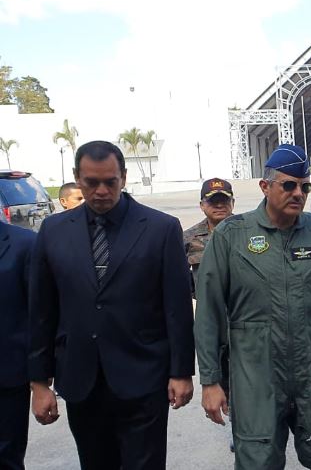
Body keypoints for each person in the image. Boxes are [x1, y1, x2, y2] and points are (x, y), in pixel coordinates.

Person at [195, 144, 311, 470]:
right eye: (288, 185)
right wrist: (210, 380)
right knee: (257, 461)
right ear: (265, 186)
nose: (298, 193)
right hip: (256, 377)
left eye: (304, 186)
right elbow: (209, 312)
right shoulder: (232, 237)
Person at [29, 140, 195, 470]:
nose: (102, 191)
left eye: (110, 182)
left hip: (143, 376)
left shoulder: (161, 229)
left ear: (124, 177)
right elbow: (42, 312)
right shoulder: (53, 231)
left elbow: (176, 307)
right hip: (80, 377)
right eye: (91, 183)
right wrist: (38, 382)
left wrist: (181, 372)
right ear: (77, 178)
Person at [182, 177, 235, 451]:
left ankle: (248, 432)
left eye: (224, 200)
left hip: (245, 321)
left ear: (232, 203)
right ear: (202, 205)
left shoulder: (249, 231)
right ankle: (240, 429)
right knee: (222, 380)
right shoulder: (188, 239)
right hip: (212, 324)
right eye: (213, 201)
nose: (219, 206)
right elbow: (183, 283)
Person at [0, 222, 35, 470]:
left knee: (6, 457)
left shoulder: (24, 243)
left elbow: (40, 314)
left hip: (7, 378)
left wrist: (40, 378)